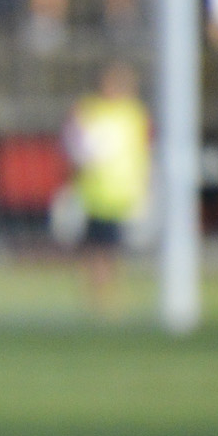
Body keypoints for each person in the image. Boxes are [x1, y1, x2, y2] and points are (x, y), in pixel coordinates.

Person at [62, 61, 150, 315]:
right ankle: (96, 299)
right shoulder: (89, 109)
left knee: (110, 249)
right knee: (93, 248)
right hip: (94, 193)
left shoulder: (134, 113)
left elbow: (138, 152)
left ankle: (106, 298)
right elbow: (75, 145)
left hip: (120, 193)